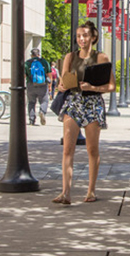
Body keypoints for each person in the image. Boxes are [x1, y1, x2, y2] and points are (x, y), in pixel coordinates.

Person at [52, 21, 115, 205]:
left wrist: (93, 87)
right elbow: (62, 81)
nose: (82, 39)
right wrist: (62, 85)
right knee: (67, 148)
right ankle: (65, 192)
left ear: (93, 37)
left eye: (85, 35)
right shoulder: (70, 57)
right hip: (73, 102)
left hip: (93, 103)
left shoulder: (101, 57)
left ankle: (91, 190)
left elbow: (111, 86)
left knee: (92, 148)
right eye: (79, 35)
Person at [25, 48, 51, 126]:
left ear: (31, 55)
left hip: (31, 84)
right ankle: (42, 111)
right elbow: (49, 74)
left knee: (31, 102)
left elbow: (24, 75)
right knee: (44, 101)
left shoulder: (27, 63)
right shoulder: (44, 62)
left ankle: (31, 120)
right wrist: (49, 86)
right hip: (42, 85)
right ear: (39, 54)